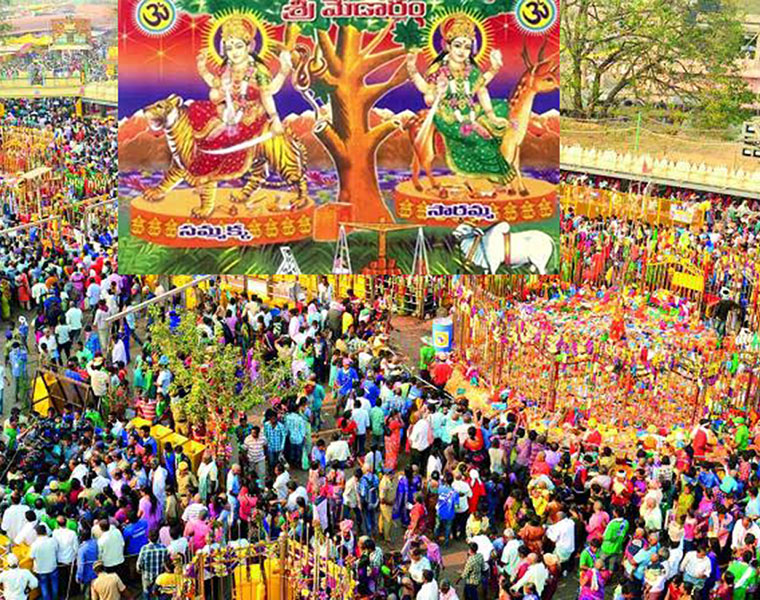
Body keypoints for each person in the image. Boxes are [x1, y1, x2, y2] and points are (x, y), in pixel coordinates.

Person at [30, 525, 58, 600]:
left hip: (41, 569)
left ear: (36, 533)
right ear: (45, 531)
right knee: (54, 585)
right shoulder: (52, 541)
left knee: (44, 586)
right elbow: (56, 550)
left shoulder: (34, 544)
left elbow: (31, 556)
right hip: (52, 567)